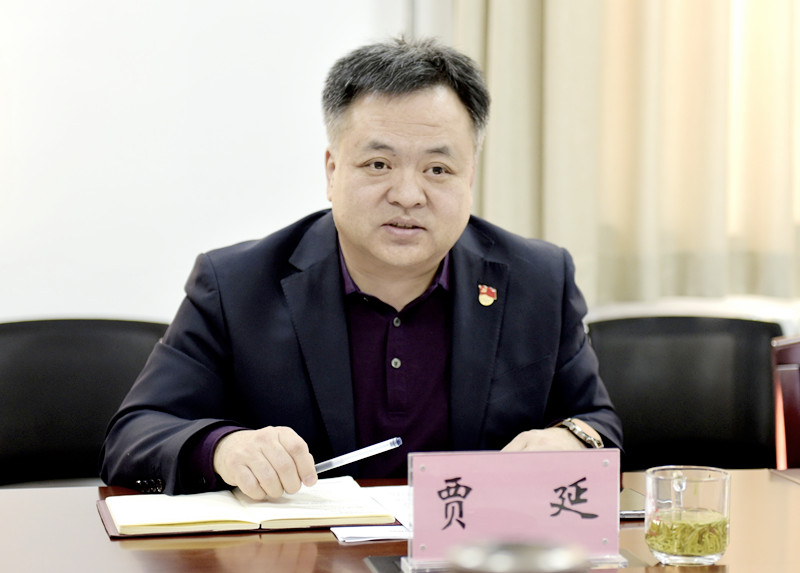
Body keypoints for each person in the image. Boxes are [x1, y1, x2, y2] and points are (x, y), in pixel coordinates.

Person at [100, 37, 622, 500]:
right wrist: (224, 448)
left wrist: (568, 440)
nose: (408, 195)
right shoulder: (237, 285)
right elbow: (134, 435)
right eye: (378, 164)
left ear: (469, 180)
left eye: (438, 169)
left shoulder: (537, 279)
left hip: (472, 553)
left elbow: (599, 426)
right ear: (332, 171)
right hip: (306, 557)